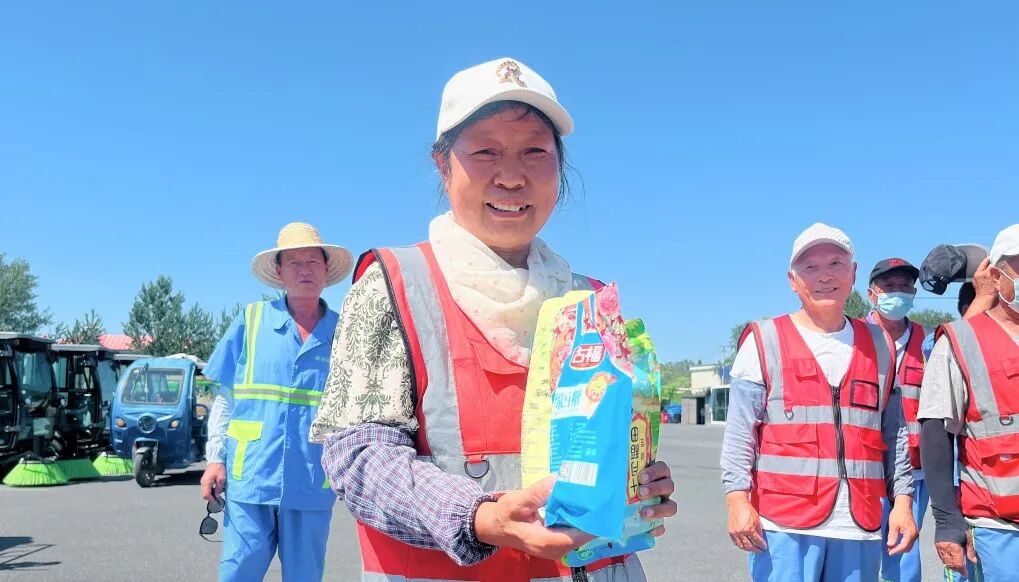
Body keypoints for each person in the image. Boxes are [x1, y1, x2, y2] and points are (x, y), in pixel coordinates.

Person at [309, 57, 677, 581]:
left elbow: (611, 446)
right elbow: (359, 458)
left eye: (534, 151)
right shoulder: (394, 284)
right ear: (443, 164)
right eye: (485, 152)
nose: (511, 176)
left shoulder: (591, 299)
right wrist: (483, 518)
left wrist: (640, 484)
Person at [721, 223, 917, 582]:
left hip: (860, 525)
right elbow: (739, 435)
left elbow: (896, 433)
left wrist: (902, 502)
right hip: (784, 525)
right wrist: (737, 502)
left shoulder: (880, 345)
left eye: (836, 264)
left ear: (854, 273)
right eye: (810, 268)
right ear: (792, 280)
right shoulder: (764, 341)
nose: (824, 276)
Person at [199, 222, 353, 581]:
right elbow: (225, 401)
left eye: (313, 261)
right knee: (239, 571)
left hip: (312, 477)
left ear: (326, 270)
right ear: (280, 272)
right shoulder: (250, 322)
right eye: (294, 262)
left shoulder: (345, 332)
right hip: (251, 474)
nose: (304, 270)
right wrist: (214, 460)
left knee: (305, 575)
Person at [918, 224, 1019, 581]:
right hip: (998, 527)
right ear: (995, 275)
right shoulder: (959, 342)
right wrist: (946, 522)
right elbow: (935, 432)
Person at [865, 258, 929, 582]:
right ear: (871, 294)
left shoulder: (930, 343)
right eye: (889, 287)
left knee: (904, 554)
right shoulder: (856, 338)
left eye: (905, 287)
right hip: (865, 467)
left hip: (916, 470)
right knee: (858, 551)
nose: (898, 293)